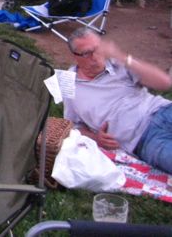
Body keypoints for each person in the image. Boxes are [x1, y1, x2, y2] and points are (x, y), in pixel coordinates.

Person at [63, 28, 172, 173]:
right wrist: (96, 138)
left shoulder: (119, 64)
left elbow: (165, 83)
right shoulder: (68, 82)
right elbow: (72, 126)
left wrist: (122, 57)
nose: (95, 57)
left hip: (162, 111)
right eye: (87, 53)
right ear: (75, 56)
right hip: (143, 139)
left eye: (97, 49)